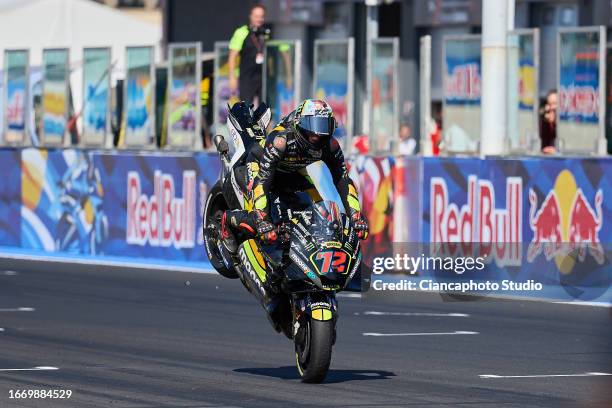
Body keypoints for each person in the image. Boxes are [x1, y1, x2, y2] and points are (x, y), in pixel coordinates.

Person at [221, 99, 369, 250]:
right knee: (260, 216)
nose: (317, 135)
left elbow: (343, 180)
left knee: (320, 213)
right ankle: (230, 219)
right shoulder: (281, 141)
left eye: (324, 127)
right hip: (260, 165)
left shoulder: (331, 146)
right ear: (300, 124)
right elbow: (263, 180)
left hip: (293, 170)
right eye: (312, 127)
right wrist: (262, 220)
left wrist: (356, 216)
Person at [228, 4, 269, 107]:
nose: (259, 19)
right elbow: (232, 56)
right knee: (246, 108)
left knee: (264, 110)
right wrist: (232, 77)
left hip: (263, 77)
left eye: (261, 16)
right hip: (247, 77)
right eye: (256, 16)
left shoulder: (266, 33)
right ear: (250, 16)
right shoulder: (242, 32)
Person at [540, 89, 557, 154]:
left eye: (555, 103)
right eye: (549, 104)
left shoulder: (564, 127)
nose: (551, 107)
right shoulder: (545, 124)